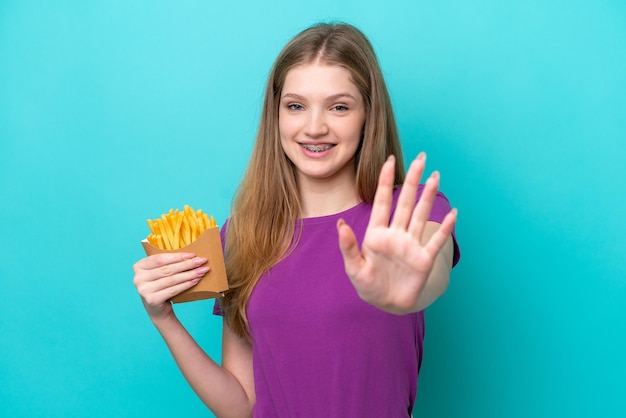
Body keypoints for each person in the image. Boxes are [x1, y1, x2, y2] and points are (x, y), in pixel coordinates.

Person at [133, 22, 460, 418]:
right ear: (276, 115)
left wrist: (414, 284)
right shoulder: (242, 234)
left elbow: (432, 269)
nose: (314, 127)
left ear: (367, 116)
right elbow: (242, 405)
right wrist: (163, 318)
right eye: (295, 106)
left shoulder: (409, 213)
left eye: (339, 106)